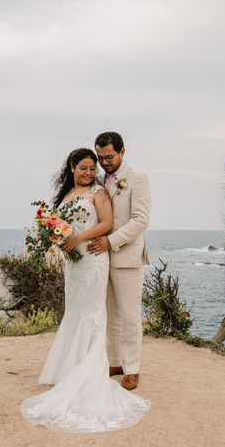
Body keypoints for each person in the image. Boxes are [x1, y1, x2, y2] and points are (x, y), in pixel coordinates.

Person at [20, 148, 150, 433]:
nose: (90, 172)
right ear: (72, 167)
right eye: (85, 168)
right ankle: (72, 368)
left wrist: (77, 237)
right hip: (74, 265)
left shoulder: (99, 193)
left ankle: (97, 370)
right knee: (75, 311)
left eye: (93, 168)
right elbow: (59, 224)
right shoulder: (65, 195)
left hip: (92, 259)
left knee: (94, 312)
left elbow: (105, 224)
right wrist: (56, 238)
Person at [88, 132, 151, 391]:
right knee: (110, 314)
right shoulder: (100, 180)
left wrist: (111, 241)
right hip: (101, 260)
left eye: (109, 157)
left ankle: (132, 368)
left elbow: (140, 220)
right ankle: (115, 362)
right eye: (101, 158)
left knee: (129, 316)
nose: (104, 163)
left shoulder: (138, 179)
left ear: (122, 152)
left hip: (126, 257)